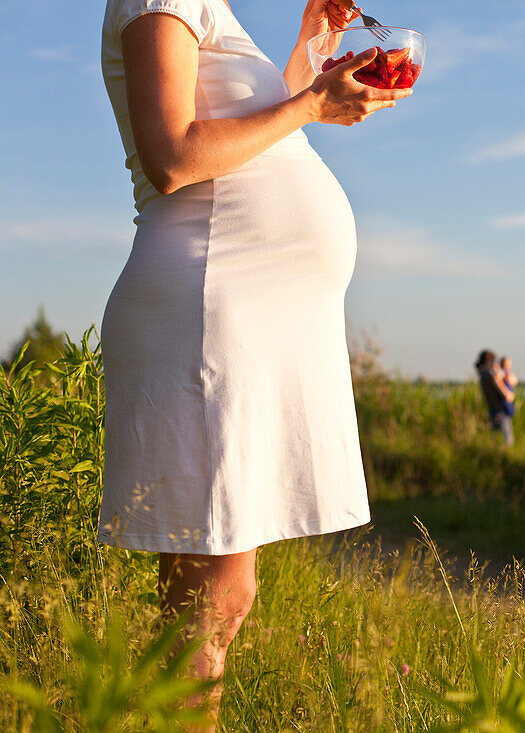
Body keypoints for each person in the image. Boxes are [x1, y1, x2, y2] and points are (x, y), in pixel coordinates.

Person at [95, 0, 411, 727]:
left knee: (219, 602)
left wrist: (309, 55)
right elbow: (173, 155)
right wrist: (308, 102)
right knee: (204, 612)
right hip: (208, 315)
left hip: (237, 317)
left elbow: (249, 139)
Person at [475, 349, 515, 446]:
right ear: (488, 361)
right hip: (501, 411)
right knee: (507, 439)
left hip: (492, 410)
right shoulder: (491, 377)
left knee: (496, 438)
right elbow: (507, 396)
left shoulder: (482, 376)